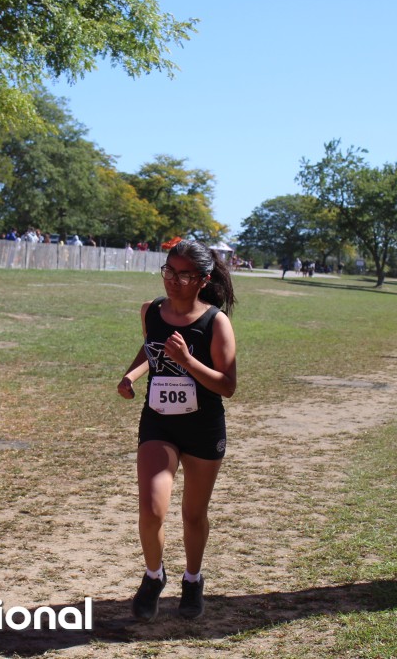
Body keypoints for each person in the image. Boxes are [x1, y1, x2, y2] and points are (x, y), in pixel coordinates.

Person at [117, 240, 237, 622]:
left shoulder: (216, 322)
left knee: (193, 515)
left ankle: (193, 580)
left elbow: (228, 385)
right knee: (152, 509)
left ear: (203, 279)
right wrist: (131, 375)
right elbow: (151, 348)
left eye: (184, 275)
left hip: (203, 426)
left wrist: (186, 360)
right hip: (159, 421)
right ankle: (154, 576)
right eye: (169, 270)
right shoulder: (151, 310)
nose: (173, 280)